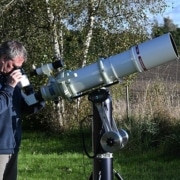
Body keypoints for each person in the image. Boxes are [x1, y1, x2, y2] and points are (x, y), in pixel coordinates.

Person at [0, 40, 44, 180]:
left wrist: (39, 95)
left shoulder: (9, 81)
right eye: (14, 66)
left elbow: (25, 107)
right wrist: (9, 87)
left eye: (19, 68)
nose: (16, 71)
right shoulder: (9, 84)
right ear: (3, 59)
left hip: (11, 147)